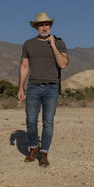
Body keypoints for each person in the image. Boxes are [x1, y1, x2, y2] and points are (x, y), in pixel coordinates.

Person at [17, 12, 69, 167]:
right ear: (36, 27)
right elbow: (25, 66)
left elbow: (63, 64)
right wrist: (20, 87)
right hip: (33, 87)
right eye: (41, 25)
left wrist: (53, 46)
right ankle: (34, 148)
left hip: (51, 88)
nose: (44, 27)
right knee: (31, 121)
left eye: (47, 24)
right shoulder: (28, 44)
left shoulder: (59, 43)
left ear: (50, 26)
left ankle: (44, 153)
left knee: (48, 123)